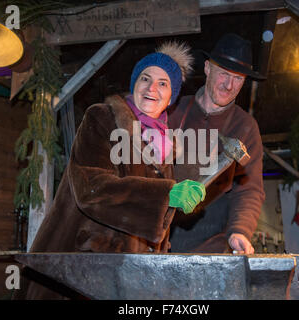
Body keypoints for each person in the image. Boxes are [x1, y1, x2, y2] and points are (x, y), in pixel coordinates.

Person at [15, 42, 206, 299]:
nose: (151, 88)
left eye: (163, 83)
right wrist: (166, 195)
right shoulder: (103, 118)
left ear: (171, 97)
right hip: (81, 268)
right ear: (134, 83)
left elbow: (151, 220)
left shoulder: (165, 148)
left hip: (129, 278)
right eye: (145, 78)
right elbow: (91, 187)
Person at [168, 33, 266, 255]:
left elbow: (249, 189)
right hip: (162, 238)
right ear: (207, 68)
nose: (229, 85)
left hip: (210, 246)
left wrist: (240, 230)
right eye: (224, 74)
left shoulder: (245, 127)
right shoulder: (173, 111)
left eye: (238, 78)